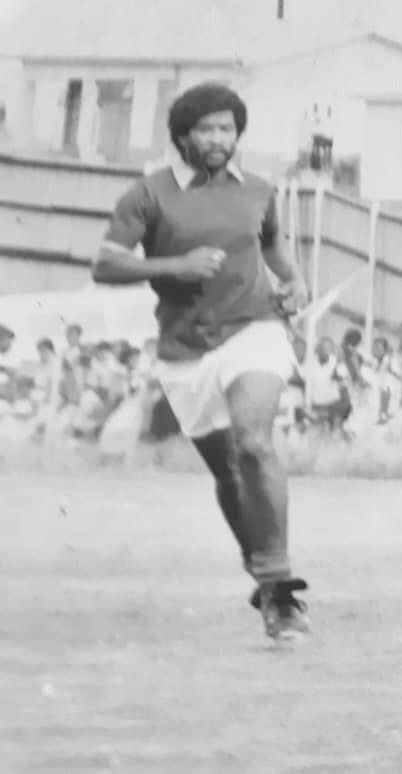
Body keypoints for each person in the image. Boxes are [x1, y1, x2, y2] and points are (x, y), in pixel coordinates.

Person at [92, 83, 310, 641]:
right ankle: (262, 574)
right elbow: (106, 264)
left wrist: (293, 281)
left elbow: (272, 244)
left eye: (227, 129)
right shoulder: (148, 194)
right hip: (185, 351)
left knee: (254, 441)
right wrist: (175, 266)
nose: (219, 139)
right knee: (228, 472)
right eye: (207, 129)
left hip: (254, 329)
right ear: (182, 135)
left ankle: (279, 585)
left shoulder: (258, 189)